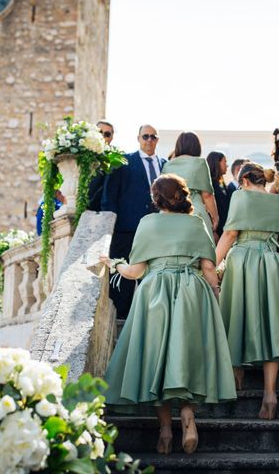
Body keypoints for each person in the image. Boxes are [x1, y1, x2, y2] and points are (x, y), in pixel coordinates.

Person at [102, 174, 236, 455]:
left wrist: (114, 265)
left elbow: (136, 271)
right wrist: (215, 292)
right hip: (193, 291)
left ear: (156, 198)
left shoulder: (147, 223)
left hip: (156, 293)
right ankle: (188, 415)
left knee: (157, 359)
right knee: (186, 356)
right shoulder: (196, 222)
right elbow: (209, 267)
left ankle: (164, 431)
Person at [216, 162, 279, 421]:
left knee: (235, 315)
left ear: (244, 181)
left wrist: (210, 264)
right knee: (271, 327)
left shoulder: (240, 196)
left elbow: (229, 234)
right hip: (272, 264)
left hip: (242, 261)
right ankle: (270, 394)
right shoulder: (278, 201)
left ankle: (236, 375)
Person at [101, 124, 167, 319]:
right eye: (145, 136)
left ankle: (152, 317)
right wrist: (109, 226)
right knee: (123, 277)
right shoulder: (124, 162)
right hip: (127, 230)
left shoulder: (165, 164)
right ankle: (122, 317)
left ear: (157, 140)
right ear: (138, 138)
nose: (149, 140)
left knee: (155, 274)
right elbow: (110, 195)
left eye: (153, 137)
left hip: (160, 231)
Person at [161, 132, 219, 239]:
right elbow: (207, 195)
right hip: (195, 211)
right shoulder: (200, 163)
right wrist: (215, 218)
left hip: (171, 213)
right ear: (196, 146)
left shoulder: (167, 165)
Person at [87, 120, 115, 212]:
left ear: (111, 138)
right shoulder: (81, 156)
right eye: (99, 132)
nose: (102, 136)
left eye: (107, 134)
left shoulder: (116, 161)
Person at [207, 151, 231, 238]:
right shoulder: (210, 185)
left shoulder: (221, 183)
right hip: (217, 231)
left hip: (225, 230)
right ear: (217, 163)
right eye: (225, 162)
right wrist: (213, 231)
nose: (227, 165)